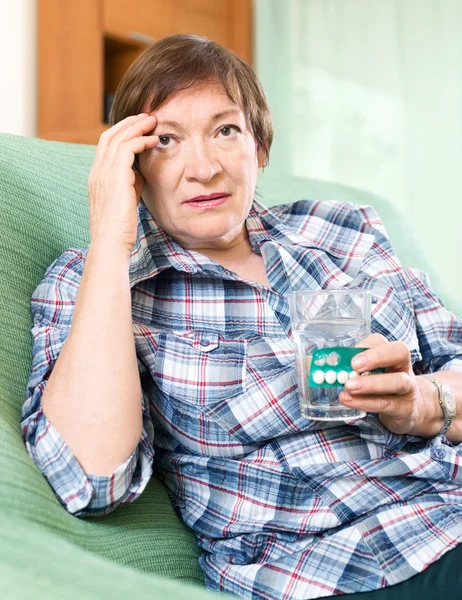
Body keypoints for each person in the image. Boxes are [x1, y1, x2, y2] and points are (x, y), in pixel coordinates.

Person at [21, 34, 462, 600]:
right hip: (332, 568)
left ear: (259, 147)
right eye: (165, 140)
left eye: (225, 130)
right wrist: (111, 233)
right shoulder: (95, 283)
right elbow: (90, 479)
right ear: (132, 167)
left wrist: (427, 402)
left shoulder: (343, 232)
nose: (202, 168)